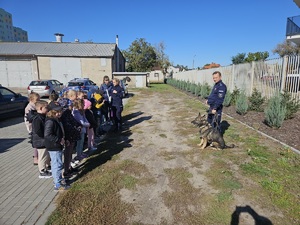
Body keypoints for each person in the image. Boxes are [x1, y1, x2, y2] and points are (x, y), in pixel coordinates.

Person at [44, 105, 70, 190]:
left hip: (58, 144)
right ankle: (57, 183)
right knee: (57, 164)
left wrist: (65, 139)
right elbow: (47, 135)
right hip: (53, 146)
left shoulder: (57, 120)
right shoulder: (50, 121)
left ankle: (58, 179)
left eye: (60, 111)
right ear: (52, 112)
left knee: (58, 163)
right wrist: (58, 140)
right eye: (57, 112)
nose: (59, 113)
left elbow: (61, 131)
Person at [29, 100, 52, 178]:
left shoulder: (42, 116)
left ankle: (47, 167)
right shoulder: (37, 118)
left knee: (46, 155)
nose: (48, 109)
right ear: (41, 108)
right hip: (40, 141)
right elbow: (38, 130)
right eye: (46, 107)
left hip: (44, 140)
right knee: (42, 156)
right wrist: (45, 135)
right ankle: (42, 171)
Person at [24, 92, 40, 165]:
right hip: (33, 128)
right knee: (36, 144)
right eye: (37, 99)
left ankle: (38, 156)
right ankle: (35, 158)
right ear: (31, 99)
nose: (38, 100)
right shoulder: (29, 108)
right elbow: (28, 120)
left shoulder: (35, 106)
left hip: (36, 126)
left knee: (38, 143)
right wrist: (30, 129)